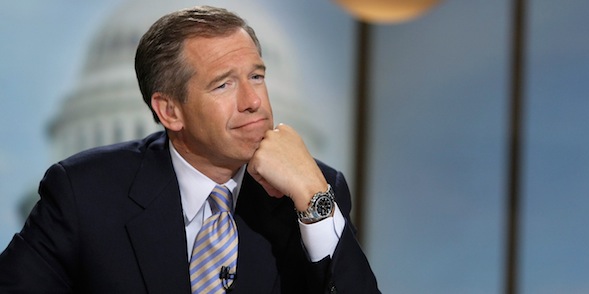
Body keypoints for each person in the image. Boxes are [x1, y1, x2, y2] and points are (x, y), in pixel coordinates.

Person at [0, 5, 379, 294]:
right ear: (170, 111)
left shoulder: (316, 187)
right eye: (223, 85)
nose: (253, 102)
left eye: (257, 77)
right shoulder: (85, 193)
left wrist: (315, 200)